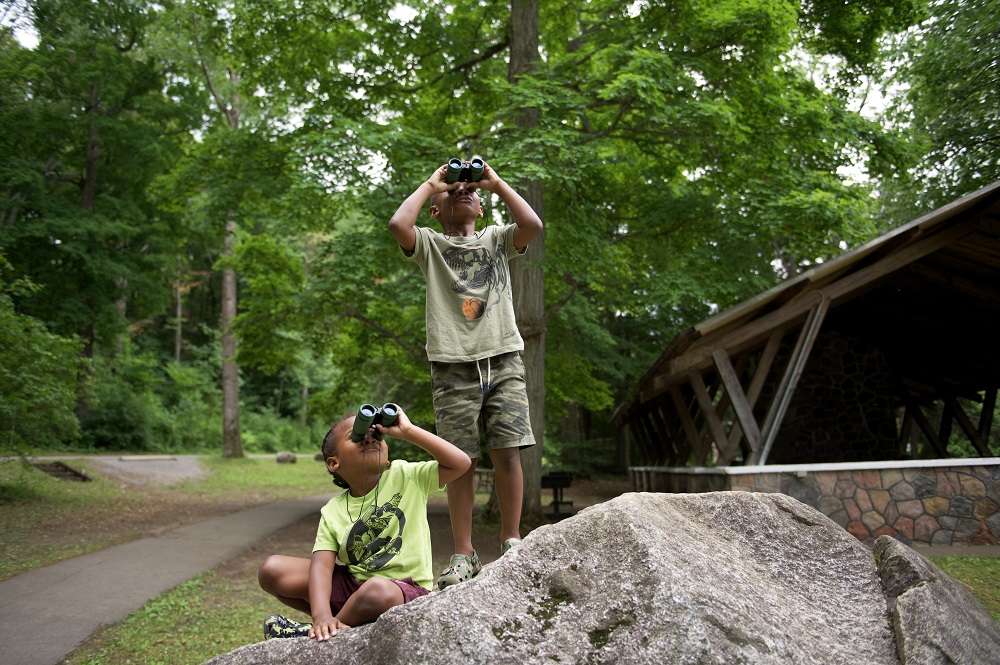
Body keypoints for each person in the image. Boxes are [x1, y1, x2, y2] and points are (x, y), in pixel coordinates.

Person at [387, 159, 543, 589]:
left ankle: (512, 539)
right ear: (434, 211)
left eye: (469, 189)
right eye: (452, 191)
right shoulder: (430, 245)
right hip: (452, 364)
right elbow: (398, 224)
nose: (463, 192)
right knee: (460, 461)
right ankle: (464, 552)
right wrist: (433, 183)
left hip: (503, 358)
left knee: (508, 450)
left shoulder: (496, 239)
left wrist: (494, 182)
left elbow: (531, 223)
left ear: (482, 205)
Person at [257, 405, 471, 640]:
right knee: (272, 569)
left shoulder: (406, 475)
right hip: (352, 588)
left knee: (376, 589)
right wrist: (321, 614)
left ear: (388, 457)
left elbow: (461, 463)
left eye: (377, 434)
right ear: (333, 463)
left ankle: (325, 631)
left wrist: (408, 431)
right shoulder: (333, 510)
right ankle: (328, 623)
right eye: (357, 436)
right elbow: (321, 567)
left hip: (402, 591)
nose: (369, 438)